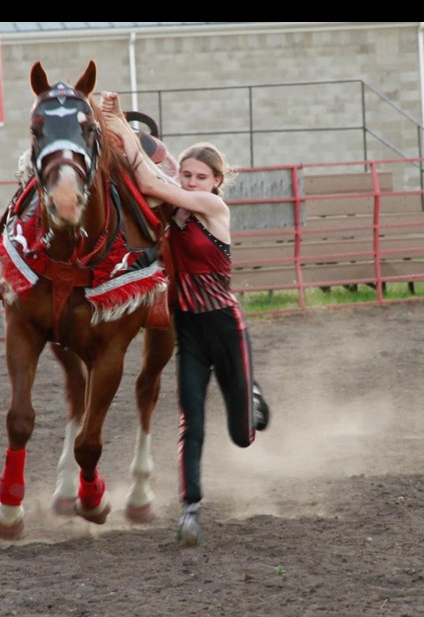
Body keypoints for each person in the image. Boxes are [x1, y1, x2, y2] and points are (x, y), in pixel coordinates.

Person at [100, 91, 271, 547]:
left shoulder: (214, 210)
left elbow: (153, 183)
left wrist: (122, 127)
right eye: (187, 175)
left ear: (217, 182)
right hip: (189, 331)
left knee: (242, 436)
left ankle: (249, 392)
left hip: (224, 326)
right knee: (189, 421)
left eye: (201, 177)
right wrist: (116, 120)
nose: (192, 182)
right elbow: (145, 173)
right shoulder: (175, 207)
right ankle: (190, 509)